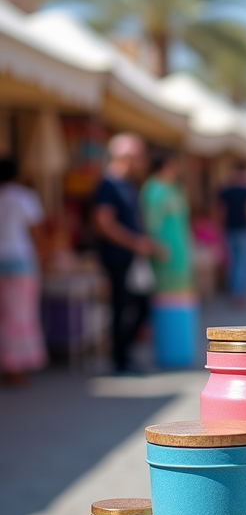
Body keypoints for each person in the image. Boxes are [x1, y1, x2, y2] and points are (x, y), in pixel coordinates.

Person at [93, 133, 160, 374]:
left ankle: (124, 355)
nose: (142, 162)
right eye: (139, 157)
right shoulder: (108, 184)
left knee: (139, 306)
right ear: (125, 157)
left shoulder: (128, 185)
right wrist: (134, 243)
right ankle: (119, 360)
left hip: (130, 257)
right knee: (122, 308)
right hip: (117, 257)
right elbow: (103, 222)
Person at [0, 159, 47, 385]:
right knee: (19, 316)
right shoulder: (24, 196)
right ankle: (14, 367)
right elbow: (36, 231)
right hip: (20, 262)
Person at [140, 153, 193, 295]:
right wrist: (156, 245)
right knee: (165, 291)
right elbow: (150, 221)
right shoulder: (153, 189)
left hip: (180, 246)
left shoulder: (175, 187)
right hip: (164, 247)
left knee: (181, 289)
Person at [217, 163, 246, 304]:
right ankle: (240, 293)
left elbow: (220, 212)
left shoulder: (225, 191)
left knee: (233, 263)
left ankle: (234, 291)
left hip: (229, 230)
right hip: (244, 229)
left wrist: (220, 228)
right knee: (243, 263)